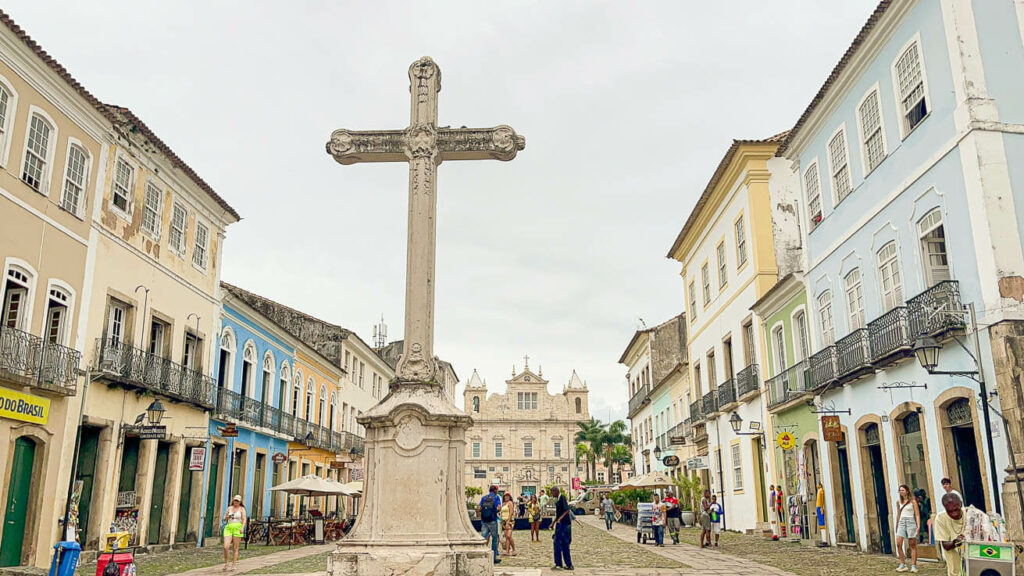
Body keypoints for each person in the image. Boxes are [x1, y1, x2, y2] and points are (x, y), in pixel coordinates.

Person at [933, 492, 967, 576]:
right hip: (955, 568)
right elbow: (945, 545)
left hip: (972, 563)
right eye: (950, 511)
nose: (954, 514)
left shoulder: (970, 514)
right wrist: (955, 542)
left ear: (961, 504)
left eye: (956, 510)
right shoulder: (940, 519)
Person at [895, 484, 921, 573]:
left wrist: (918, 526)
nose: (901, 492)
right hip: (902, 522)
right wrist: (897, 524)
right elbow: (898, 514)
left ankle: (913, 565)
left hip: (910, 521)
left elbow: (917, 514)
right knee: (898, 543)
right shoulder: (898, 502)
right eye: (900, 490)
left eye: (902, 490)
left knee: (912, 545)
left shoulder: (913, 502)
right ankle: (903, 563)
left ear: (907, 491)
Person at [477, 486, 501, 565]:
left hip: (484, 521)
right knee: (494, 539)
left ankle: (481, 556)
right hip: (493, 520)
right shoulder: (496, 498)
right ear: (495, 491)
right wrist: (494, 511)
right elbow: (499, 508)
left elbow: (479, 508)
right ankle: (493, 558)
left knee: (483, 538)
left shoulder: (484, 497)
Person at [551, 487, 574, 571]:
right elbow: (558, 514)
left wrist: (560, 519)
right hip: (560, 524)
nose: (552, 494)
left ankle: (564, 564)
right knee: (560, 544)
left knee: (561, 543)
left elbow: (567, 510)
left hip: (564, 525)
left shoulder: (562, 498)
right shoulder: (558, 499)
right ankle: (562, 564)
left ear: (556, 491)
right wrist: (553, 523)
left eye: (552, 492)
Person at [222, 495, 247, 571]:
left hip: (237, 527)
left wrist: (242, 527)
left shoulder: (242, 509)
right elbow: (224, 519)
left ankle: (234, 564)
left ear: (240, 502)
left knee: (235, 548)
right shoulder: (229, 508)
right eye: (235, 500)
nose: (236, 502)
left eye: (237, 501)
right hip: (229, 527)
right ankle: (226, 563)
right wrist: (228, 517)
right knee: (226, 546)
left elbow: (244, 519)